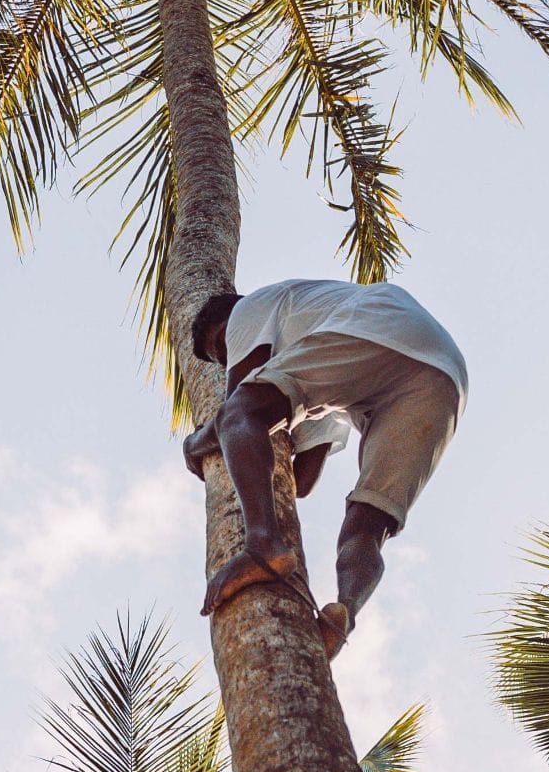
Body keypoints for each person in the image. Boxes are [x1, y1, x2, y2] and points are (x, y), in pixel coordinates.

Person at [182, 279, 467, 655]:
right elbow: (301, 481)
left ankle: (263, 545)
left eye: (222, 349)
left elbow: (235, 411)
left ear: (230, 320)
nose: (228, 359)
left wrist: (193, 444)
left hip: (378, 326)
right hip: (443, 374)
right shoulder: (322, 366)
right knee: (367, 523)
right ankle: (344, 613)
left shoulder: (249, 309)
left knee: (241, 411)